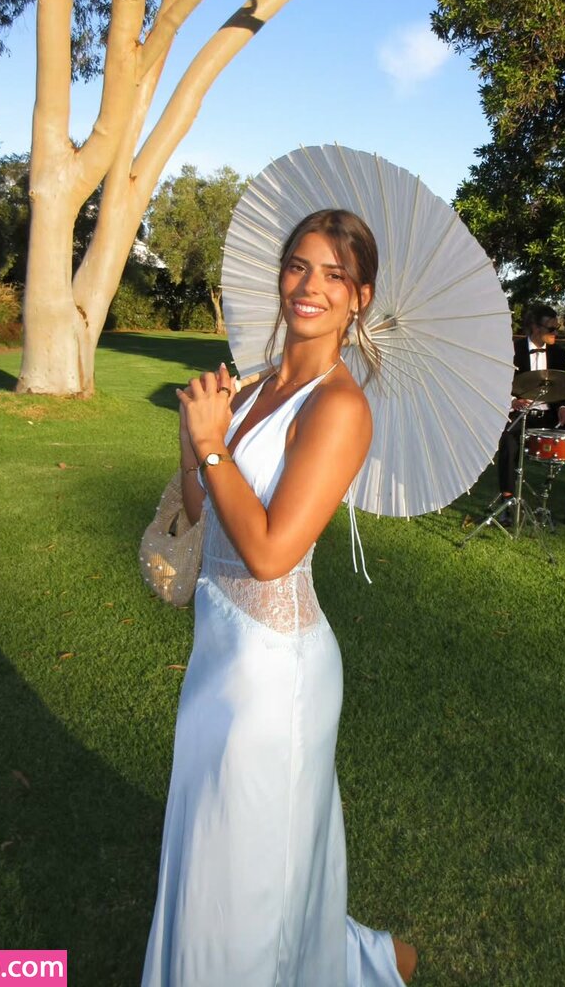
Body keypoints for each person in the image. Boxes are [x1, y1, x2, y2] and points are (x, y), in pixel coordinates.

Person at [141, 209, 417, 986]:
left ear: (360, 297)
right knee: (214, 847)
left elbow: (268, 554)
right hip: (217, 656)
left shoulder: (340, 408)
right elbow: (206, 514)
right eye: (299, 265)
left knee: (252, 876)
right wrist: (195, 438)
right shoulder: (257, 385)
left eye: (334, 274)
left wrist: (213, 444)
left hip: (274, 676)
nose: (309, 286)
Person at [496, 303, 565, 529]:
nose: (555, 333)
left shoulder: (558, 353)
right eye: (551, 329)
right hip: (521, 414)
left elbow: (560, 389)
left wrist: (563, 408)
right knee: (508, 444)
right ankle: (507, 504)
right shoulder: (512, 350)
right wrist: (512, 401)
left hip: (548, 417)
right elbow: (497, 385)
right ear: (535, 328)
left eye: (557, 328)